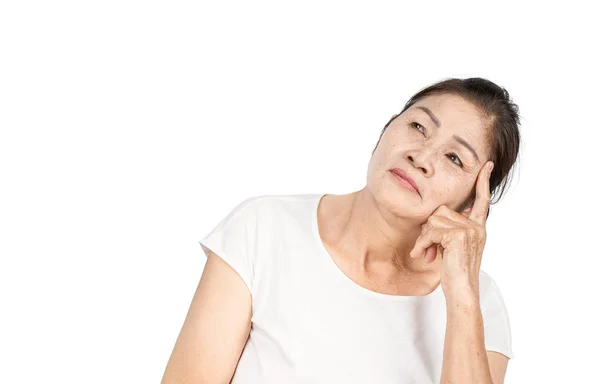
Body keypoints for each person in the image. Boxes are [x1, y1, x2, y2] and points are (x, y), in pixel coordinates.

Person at [161, 77, 521, 384]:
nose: (421, 156)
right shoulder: (263, 229)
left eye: (454, 158)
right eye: (418, 127)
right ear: (387, 127)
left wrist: (461, 291)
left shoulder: (479, 305)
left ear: (474, 201)